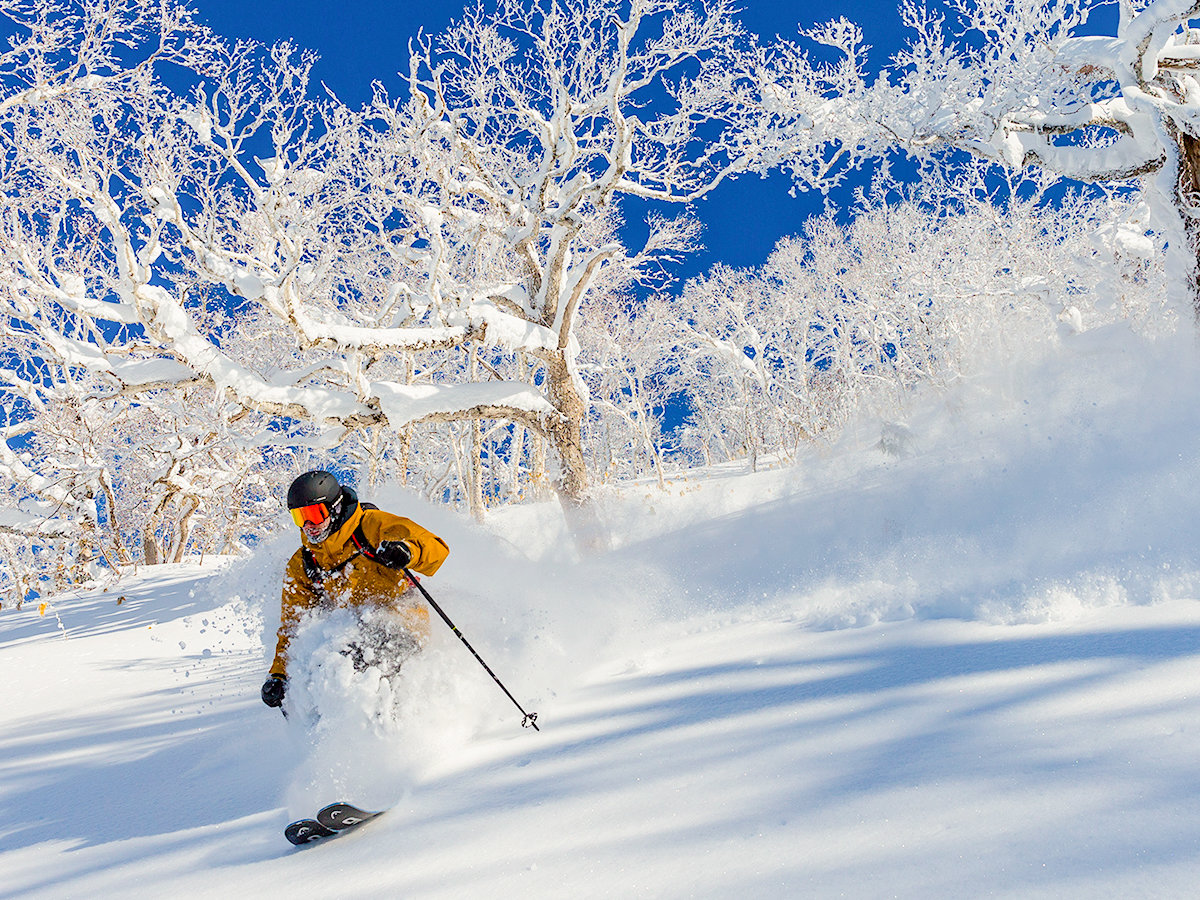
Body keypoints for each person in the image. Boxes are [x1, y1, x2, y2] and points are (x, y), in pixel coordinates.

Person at [261, 470, 449, 711]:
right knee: (316, 670)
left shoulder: (371, 526)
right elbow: (293, 625)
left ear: (335, 508)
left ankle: (403, 724)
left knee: (365, 656)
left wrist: (407, 551)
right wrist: (279, 675)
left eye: (315, 515)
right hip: (348, 635)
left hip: (402, 622)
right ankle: (333, 738)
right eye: (300, 518)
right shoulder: (304, 563)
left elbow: (436, 548)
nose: (309, 526)